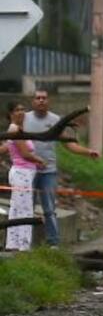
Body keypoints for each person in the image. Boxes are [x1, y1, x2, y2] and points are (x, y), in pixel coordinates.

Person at [24, 88, 100, 247]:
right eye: (37, 98)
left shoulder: (55, 119)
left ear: (48, 101)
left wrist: (88, 152)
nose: (41, 101)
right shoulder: (24, 119)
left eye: (44, 98)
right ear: (33, 101)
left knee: (50, 208)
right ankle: (25, 242)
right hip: (27, 171)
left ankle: (53, 243)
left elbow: (69, 144)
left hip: (48, 172)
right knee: (26, 208)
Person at [5, 102, 47, 251]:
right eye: (17, 110)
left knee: (16, 208)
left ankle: (13, 243)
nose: (21, 112)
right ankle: (23, 245)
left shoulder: (18, 130)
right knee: (24, 210)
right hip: (22, 173)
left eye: (23, 109)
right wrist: (40, 160)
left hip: (24, 173)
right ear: (11, 114)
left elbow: (6, 148)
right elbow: (24, 154)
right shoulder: (15, 129)